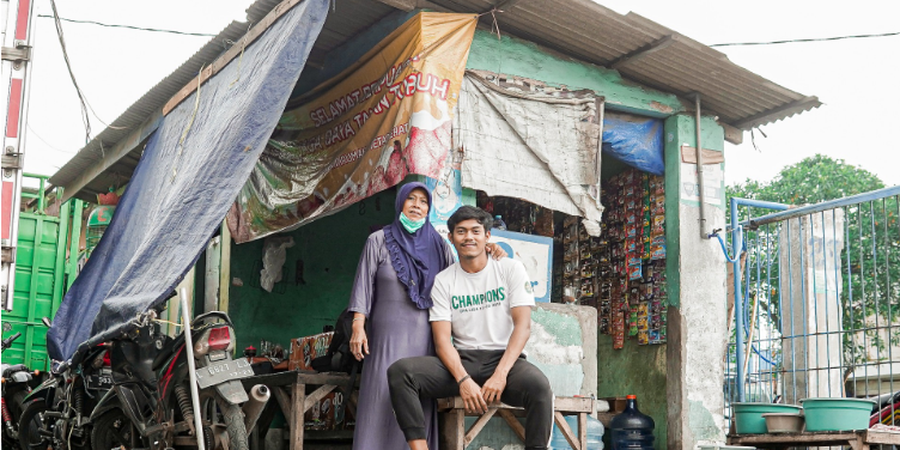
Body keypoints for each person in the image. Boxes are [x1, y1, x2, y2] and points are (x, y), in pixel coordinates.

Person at [346, 183, 504, 450]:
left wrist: (488, 250)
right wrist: (358, 325)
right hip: (383, 339)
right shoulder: (379, 240)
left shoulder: (440, 246)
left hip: (425, 341)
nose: (417, 205)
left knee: (414, 400)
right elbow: (363, 285)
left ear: (429, 208)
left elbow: (461, 278)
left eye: (423, 201)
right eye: (411, 199)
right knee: (380, 398)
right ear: (400, 204)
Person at [387, 206, 553, 450]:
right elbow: (442, 341)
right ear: (451, 238)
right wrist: (463, 379)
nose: (468, 237)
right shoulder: (444, 280)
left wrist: (500, 374)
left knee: (539, 387)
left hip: (504, 361)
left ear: (487, 236)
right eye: (461, 231)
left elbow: (523, 327)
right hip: (462, 361)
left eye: (476, 231)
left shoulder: (510, 269)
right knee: (401, 372)